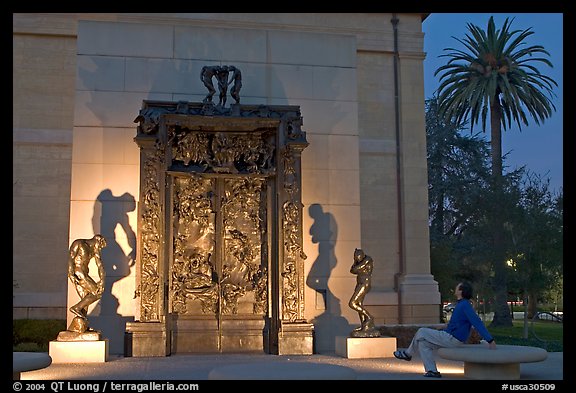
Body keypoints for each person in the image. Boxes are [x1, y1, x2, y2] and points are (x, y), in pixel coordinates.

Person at [393, 281, 496, 378]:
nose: (455, 288)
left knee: (422, 331)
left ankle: (408, 354)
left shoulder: (465, 305)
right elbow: (456, 324)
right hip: (450, 337)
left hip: (452, 339)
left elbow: (477, 322)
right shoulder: (462, 304)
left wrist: (490, 340)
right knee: (423, 344)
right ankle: (432, 371)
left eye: (457, 287)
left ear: (461, 291)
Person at [68, 234, 107, 319]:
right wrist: (71, 274)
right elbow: (70, 258)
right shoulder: (79, 243)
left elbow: (100, 265)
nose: (99, 248)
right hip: (78, 273)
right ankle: (76, 308)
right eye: (100, 246)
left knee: (85, 298)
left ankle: (82, 323)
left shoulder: (94, 250)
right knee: (97, 293)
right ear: (98, 240)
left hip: (84, 273)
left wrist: (102, 280)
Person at [348, 248, 379, 336]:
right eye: (355, 258)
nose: (357, 259)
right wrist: (355, 263)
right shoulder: (360, 261)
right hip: (360, 283)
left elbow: (355, 269)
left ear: (361, 255)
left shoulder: (367, 260)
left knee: (352, 303)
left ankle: (369, 317)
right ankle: (364, 326)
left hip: (364, 283)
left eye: (357, 257)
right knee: (359, 305)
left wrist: (356, 265)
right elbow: (352, 270)